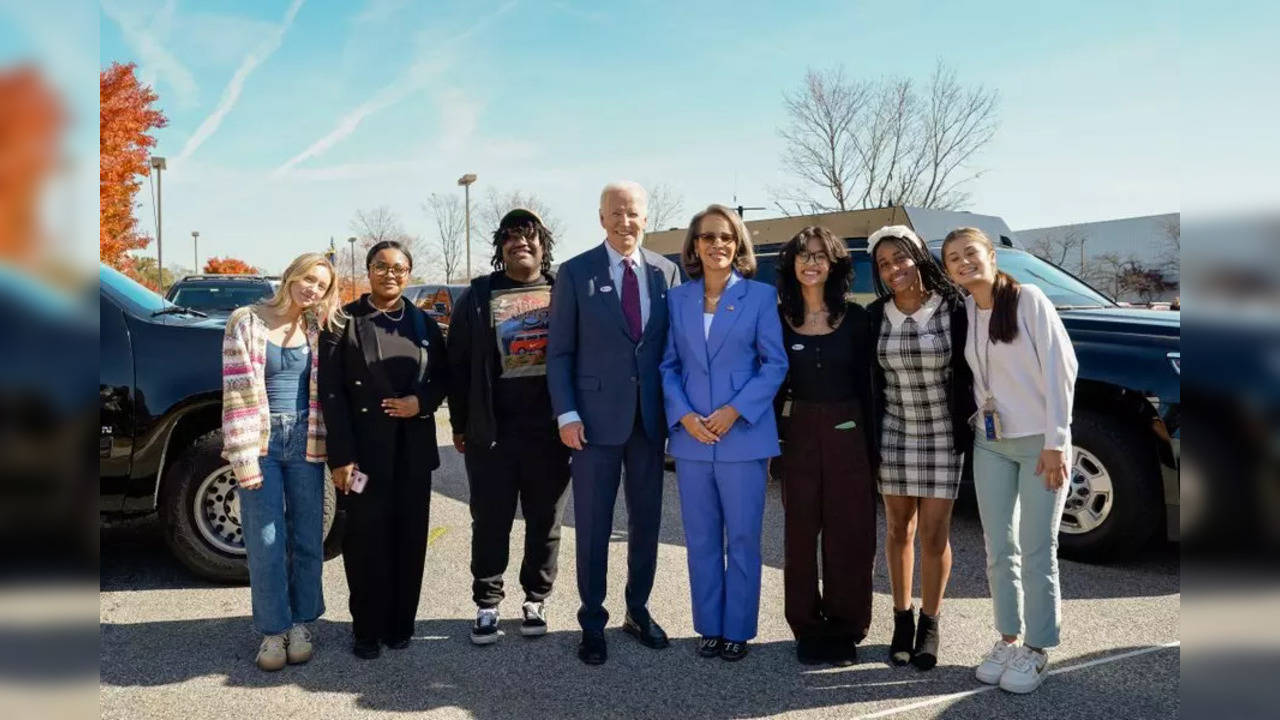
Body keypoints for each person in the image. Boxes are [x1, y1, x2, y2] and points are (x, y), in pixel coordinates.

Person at [546, 181, 682, 665]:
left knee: (646, 523)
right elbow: (558, 352)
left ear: (646, 217)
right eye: (617, 213)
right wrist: (566, 413)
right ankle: (591, 619)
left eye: (634, 213)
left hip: (649, 424)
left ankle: (637, 609)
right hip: (593, 425)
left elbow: (673, 349)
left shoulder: (668, 272)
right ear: (601, 217)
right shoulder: (575, 272)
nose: (626, 221)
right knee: (594, 526)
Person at [941, 227, 1078, 694]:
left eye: (971, 253)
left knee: (1038, 548)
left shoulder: (1028, 300)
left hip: (1041, 443)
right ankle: (1008, 638)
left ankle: (1038, 648)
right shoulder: (966, 311)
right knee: (999, 548)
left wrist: (1057, 443)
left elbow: (1063, 369)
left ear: (992, 256)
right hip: (990, 441)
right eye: (953, 258)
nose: (963, 262)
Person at [659, 204, 787, 662]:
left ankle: (738, 628)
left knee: (744, 539)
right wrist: (685, 415)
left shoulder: (759, 296)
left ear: (738, 246)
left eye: (727, 238)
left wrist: (735, 410)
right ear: (694, 245)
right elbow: (668, 366)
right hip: (692, 439)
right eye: (709, 237)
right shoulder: (677, 300)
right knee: (701, 538)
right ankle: (709, 625)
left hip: (743, 436)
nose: (718, 245)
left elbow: (775, 363)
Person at [318, 240, 449, 660]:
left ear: (408, 274)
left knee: (409, 539)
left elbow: (444, 378)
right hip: (363, 453)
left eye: (398, 268)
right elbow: (332, 393)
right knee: (364, 540)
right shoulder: (343, 322)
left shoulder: (424, 324)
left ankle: (400, 625)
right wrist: (340, 456)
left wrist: (421, 403)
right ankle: (367, 628)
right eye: (381, 266)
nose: (389, 274)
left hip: (412, 451)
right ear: (369, 270)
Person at [447, 208, 571, 645]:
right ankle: (487, 604)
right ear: (501, 248)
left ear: (543, 245)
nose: (521, 243)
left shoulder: (562, 290)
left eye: (530, 236)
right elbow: (457, 364)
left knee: (545, 522)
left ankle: (536, 599)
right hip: (493, 433)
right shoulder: (479, 295)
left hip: (551, 434)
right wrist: (460, 423)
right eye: (512, 237)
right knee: (490, 521)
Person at [221, 252, 342, 671]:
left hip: (308, 439)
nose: (312, 289)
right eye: (308, 278)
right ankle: (273, 631)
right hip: (262, 442)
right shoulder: (246, 320)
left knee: (308, 537)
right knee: (266, 541)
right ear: (291, 274)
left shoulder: (316, 325)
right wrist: (243, 457)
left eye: (321, 285)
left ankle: (302, 623)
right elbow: (235, 392)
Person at [865, 225, 975, 670]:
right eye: (884, 264)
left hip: (943, 436)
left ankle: (930, 622)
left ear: (918, 257)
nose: (894, 269)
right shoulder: (875, 315)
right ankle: (901, 619)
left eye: (900, 258)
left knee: (934, 533)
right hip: (894, 433)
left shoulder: (954, 309)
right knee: (897, 530)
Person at [772, 226, 875, 666]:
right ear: (791, 264)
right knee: (799, 532)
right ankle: (806, 626)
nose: (811, 263)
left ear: (834, 265)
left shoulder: (855, 318)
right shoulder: (778, 317)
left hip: (848, 429)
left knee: (849, 533)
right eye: (803, 255)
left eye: (820, 256)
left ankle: (845, 626)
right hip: (798, 434)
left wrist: (873, 446)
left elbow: (872, 386)